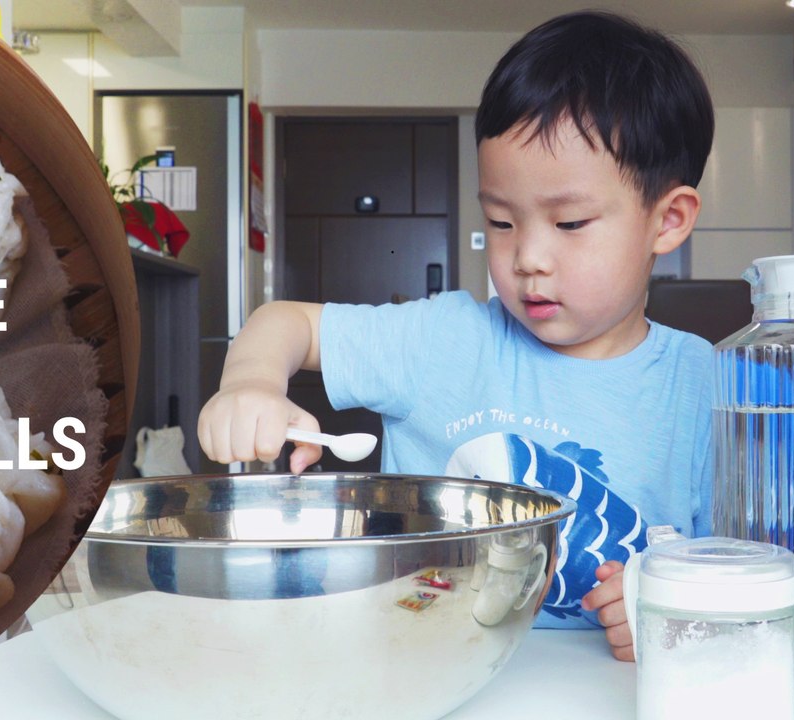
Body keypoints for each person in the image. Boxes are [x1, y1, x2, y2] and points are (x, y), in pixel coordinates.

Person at [197, 11, 715, 662]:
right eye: (501, 221)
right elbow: (286, 322)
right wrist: (250, 384)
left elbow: (745, 568)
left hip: (604, 690)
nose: (528, 258)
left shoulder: (706, 387)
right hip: (418, 671)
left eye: (570, 223)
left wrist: (680, 613)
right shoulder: (444, 340)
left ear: (667, 221)